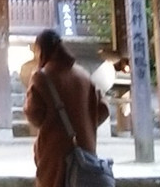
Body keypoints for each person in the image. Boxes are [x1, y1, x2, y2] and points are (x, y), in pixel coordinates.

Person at [23, 29, 111, 187]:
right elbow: (103, 108)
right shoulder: (83, 75)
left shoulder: (42, 77)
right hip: (84, 152)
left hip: (55, 156)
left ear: (42, 49)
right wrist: (84, 125)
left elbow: (34, 114)